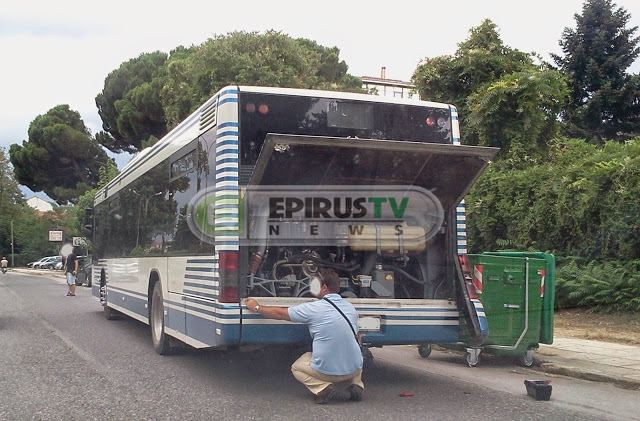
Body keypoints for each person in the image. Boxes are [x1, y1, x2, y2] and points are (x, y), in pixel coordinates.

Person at [246, 269, 364, 404]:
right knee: (355, 351)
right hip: (354, 369)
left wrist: (256, 307)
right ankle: (357, 384)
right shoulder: (350, 307)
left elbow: (281, 314)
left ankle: (322, 388)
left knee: (297, 367)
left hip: (327, 372)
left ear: (324, 288)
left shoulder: (313, 308)